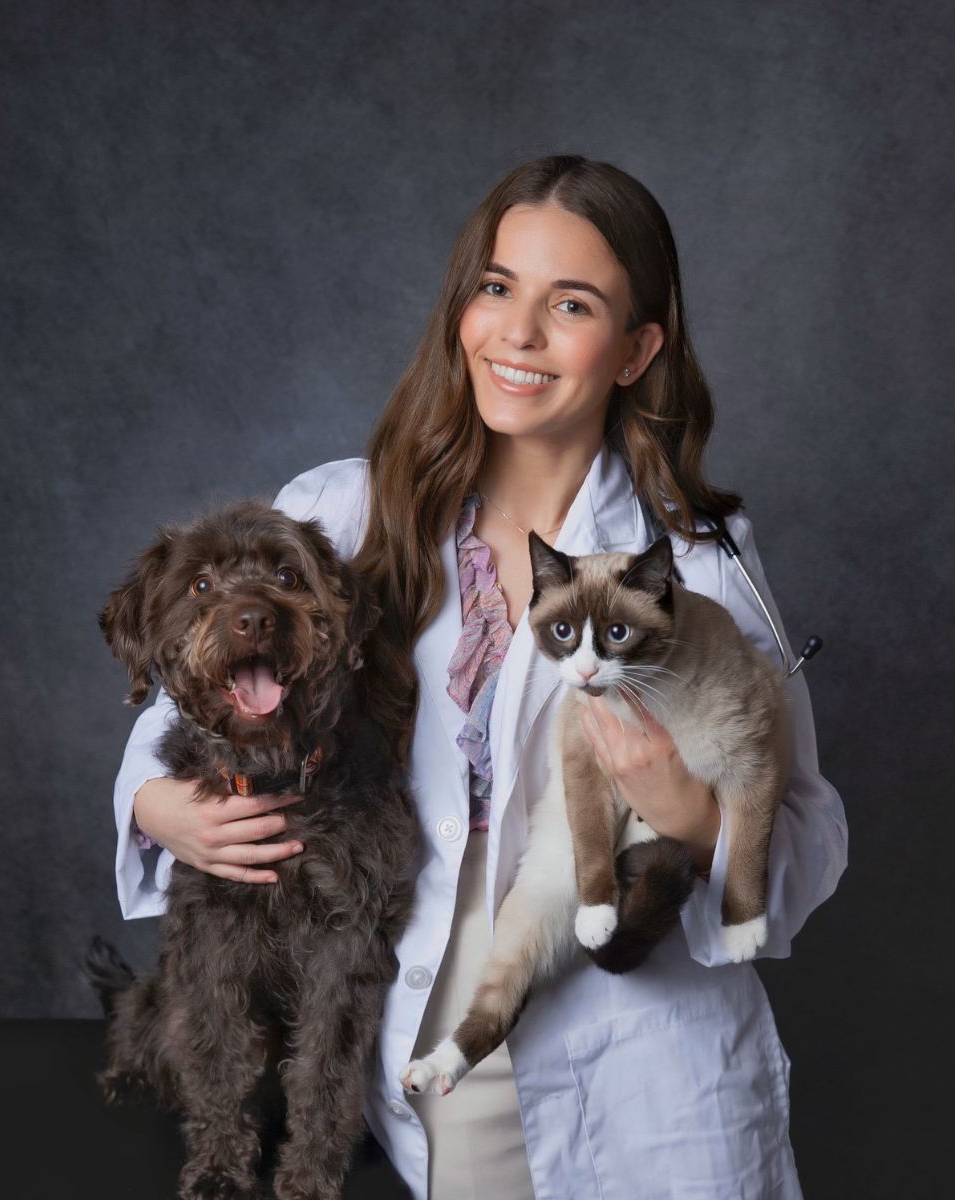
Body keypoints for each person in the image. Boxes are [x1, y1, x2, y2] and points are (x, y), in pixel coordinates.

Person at [113, 155, 847, 1200]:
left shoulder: (695, 561)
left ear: (637, 349)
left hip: (630, 1077)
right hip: (414, 1051)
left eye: (573, 304)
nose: (517, 334)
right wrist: (154, 802)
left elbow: (810, 838)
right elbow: (188, 689)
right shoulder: (342, 512)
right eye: (496, 288)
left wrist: (693, 818)